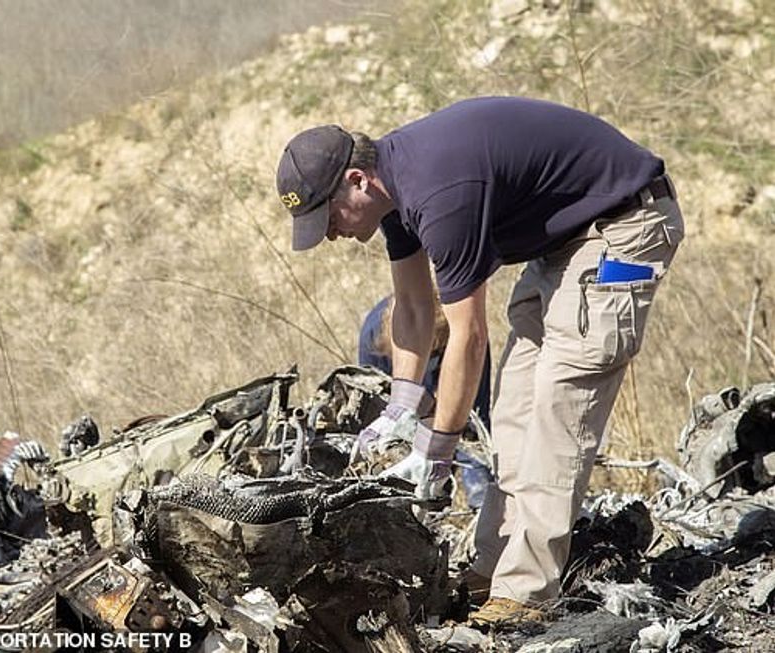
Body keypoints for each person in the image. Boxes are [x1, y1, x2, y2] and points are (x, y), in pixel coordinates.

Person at [275, 97, 684, 626]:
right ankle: (494, 567)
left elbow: (468, 337)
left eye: (327, 216)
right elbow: (416, 309)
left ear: (357, 180)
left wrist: (437, 449)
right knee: (513, 410)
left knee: (559, 409)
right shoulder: (393, 192)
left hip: (625, 226)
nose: (329, 233)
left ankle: (527, 593)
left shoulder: (440, 194)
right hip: (563, 245)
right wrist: (402, 405)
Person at [358, 294, 493, 508]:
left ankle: (474, 499)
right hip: (392, 364)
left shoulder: (468, 338)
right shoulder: (373, 338)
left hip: (454, 349)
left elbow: (475, 418)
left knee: (463, 437)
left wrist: (479, 485)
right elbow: (374, 405)